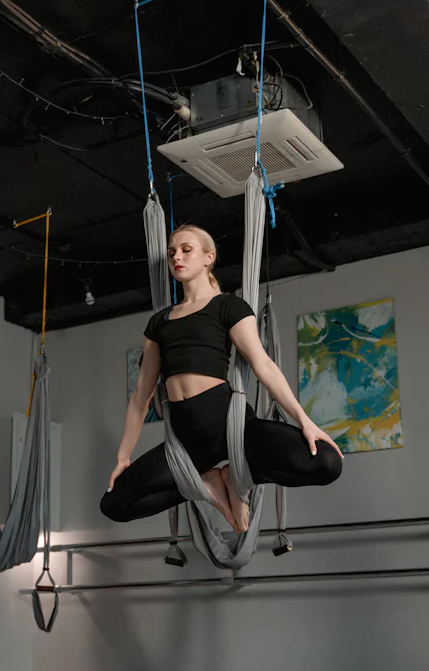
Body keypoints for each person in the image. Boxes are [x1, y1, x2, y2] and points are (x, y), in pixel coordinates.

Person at [100, 223, 343, 532]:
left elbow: (262, 364)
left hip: (231, 423)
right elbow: (140, 397)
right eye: (172, 252)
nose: (177, 257)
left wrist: (304, 420)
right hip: (186, 441)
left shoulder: (227, 306)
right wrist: (123, 456)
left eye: (187, 250)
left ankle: (237, 475)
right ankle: (207, 485)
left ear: (208, 257)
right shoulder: (159, 322)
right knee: (114, 504)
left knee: (327, 463)